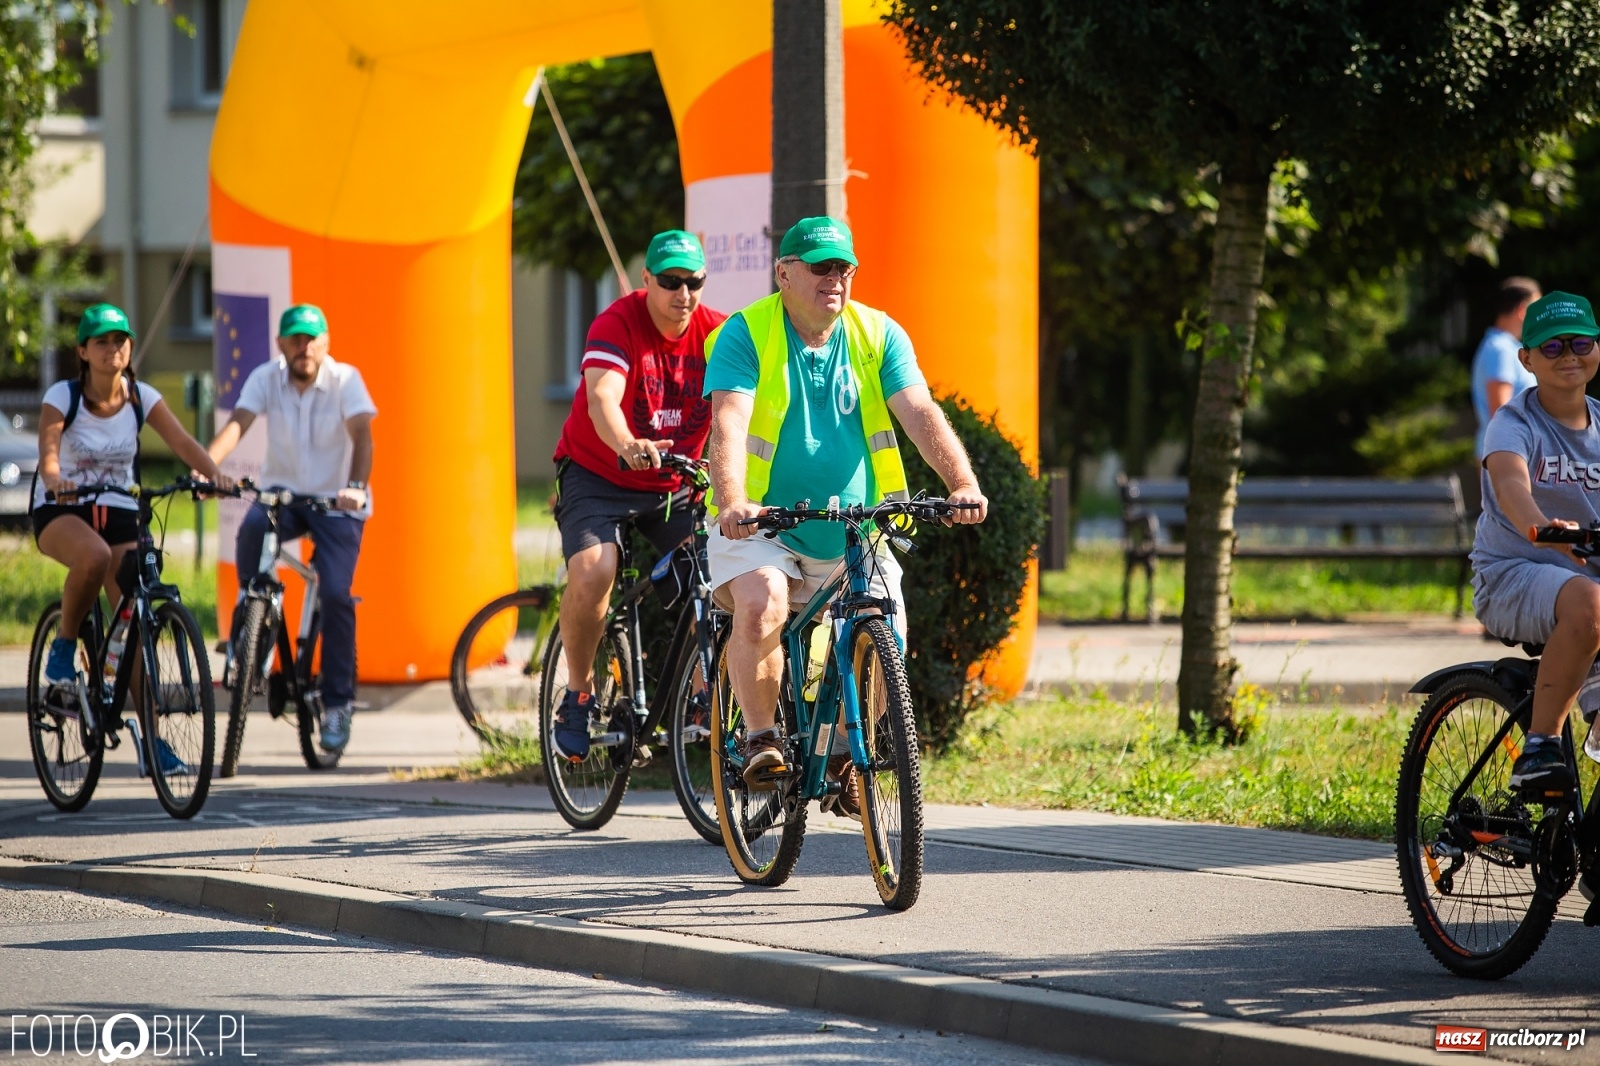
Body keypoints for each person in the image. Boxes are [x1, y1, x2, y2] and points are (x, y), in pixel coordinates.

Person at [703, 216, 988, 812]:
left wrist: (961, 483)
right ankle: (760, 739)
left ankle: (843, 754)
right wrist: (733, 503)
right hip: (762, 524)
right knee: (763, 604)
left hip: (858, 525)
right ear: (784, 272)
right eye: (820, 267)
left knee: (886, 628)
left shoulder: (879, 334)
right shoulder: (745, 333)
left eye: (845, 268)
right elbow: (729, 420)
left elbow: (919, 410)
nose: (835, 278)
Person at [549, 230, 727, 761]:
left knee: (720, 573)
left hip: (674, 484)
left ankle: (700, 694)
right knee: (594, 571)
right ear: (645, 279)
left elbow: (747, 408)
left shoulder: (718, 332)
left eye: (693, 282)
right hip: (597, 473)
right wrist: (626, 443)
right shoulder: (617, 323)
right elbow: (603, 395)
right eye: (670, 281)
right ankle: (578, 693)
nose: (683, 294)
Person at [32, 303, 231, 704]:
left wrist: (214, 474)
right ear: (83, 352)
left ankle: (154, 745)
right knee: (94, 556)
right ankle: (65, 644)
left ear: (130, 347)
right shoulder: (63, 396)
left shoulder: (141, 397)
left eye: (119, 340)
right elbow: (49, 451)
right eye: (101, 342)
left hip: (120, 509)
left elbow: (182, 443)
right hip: (63, 508)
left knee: (137, 615)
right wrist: (56, 479)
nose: (112, 349)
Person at [207, 304, 376, 755]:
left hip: (336, 502)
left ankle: (338, 703)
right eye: (295, 339)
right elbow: (237, 426)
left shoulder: (345, 380)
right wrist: (208, 470)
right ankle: (252, 624)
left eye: (311, 339)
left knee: (336, 593)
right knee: (251, 529)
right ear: (281, 344)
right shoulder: (266, 377)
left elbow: (362, 435)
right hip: (284, 496)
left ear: (326, 343)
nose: (303, 348)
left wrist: (356, 487)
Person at [1472, 290, 1600, 795]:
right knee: (1590, 602)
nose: (1568, 355)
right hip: (1512, 574)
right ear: (1526, 358)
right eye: (1551, 347)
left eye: (1579, 342)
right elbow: (1511, 490)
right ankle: (1540, 746)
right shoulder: (1514, 423)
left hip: (1586, 580)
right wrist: (1546, 531)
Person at [1472, 277, 1542, 459]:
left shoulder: (1502, 346)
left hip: (1508, 452)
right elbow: (1500, 413)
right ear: (1522, 310)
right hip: (1506, 455)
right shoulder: (1500, 349)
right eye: (1536, 309)